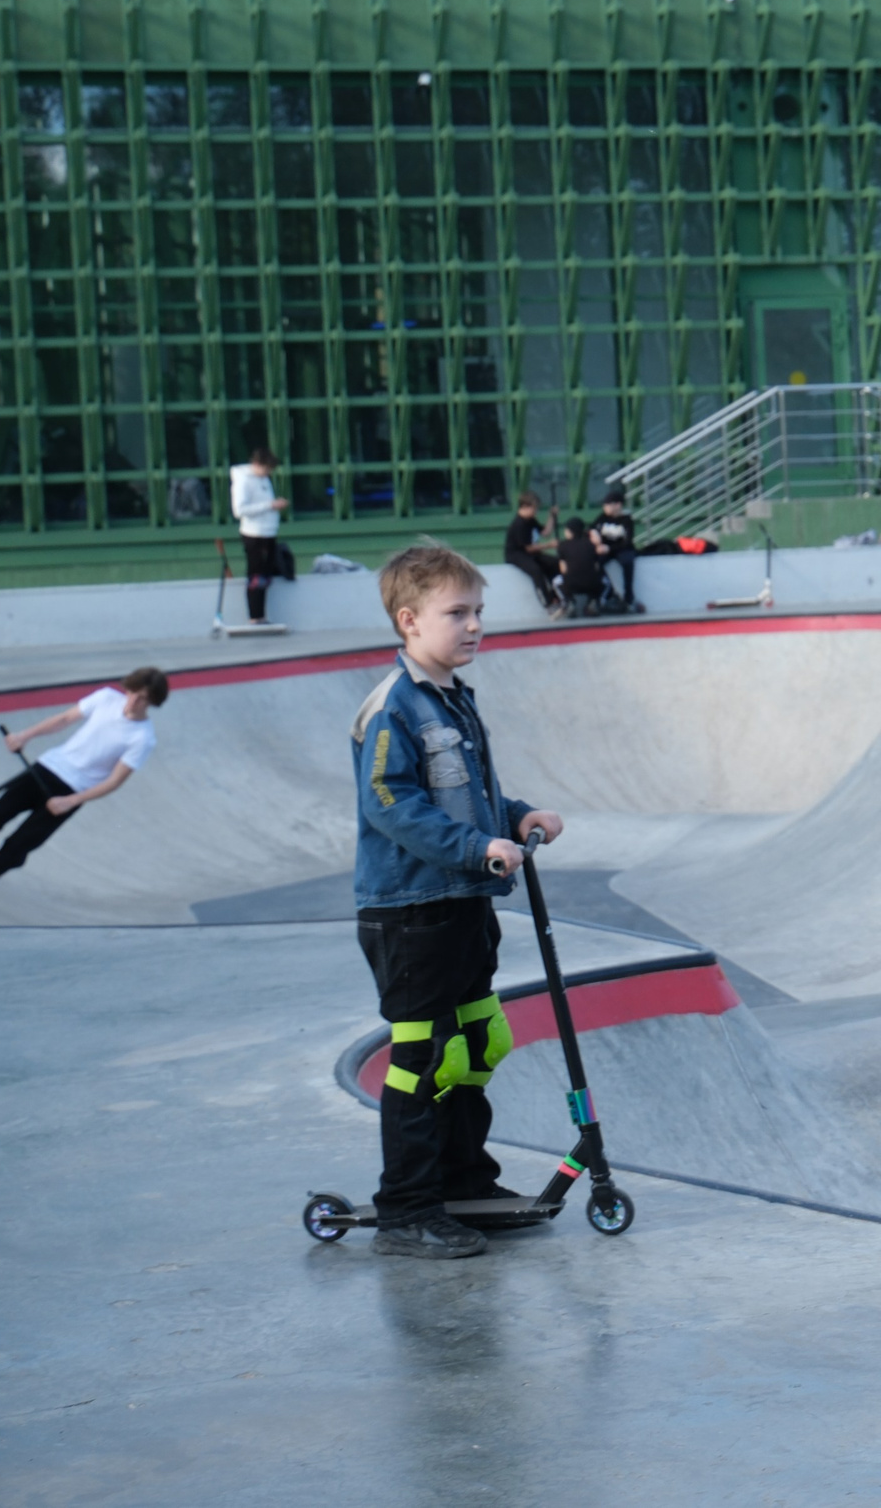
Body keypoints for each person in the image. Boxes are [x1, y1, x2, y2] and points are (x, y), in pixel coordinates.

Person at [350, 544, 565, 1259]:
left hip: (463, 902)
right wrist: (478, 848)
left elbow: (470, 800)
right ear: (408, 620)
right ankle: (406, 1206)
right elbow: (391, 804)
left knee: (478, 1043)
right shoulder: (393, 707)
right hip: (411, 912)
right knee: (418, 1057)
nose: (474, 625)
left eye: (479, 612)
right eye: (457, 613)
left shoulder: (453, 699)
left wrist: (518, 816)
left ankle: (466, 1180)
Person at [0, 669, 170, 917]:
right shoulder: (105, 698)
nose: (134, 702)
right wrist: (24, 736)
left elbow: (115, 781)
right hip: (45, 769)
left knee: (15, 849)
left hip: (71, 793)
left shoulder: (143, 738)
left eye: (144, 698)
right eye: (133, 693)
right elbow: (64, 719)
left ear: (153, 702)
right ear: (127, 688)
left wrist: (73, 801)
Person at [230, 447, 290, 626]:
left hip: (268, 532)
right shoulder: (243, 481)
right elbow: (239, 510)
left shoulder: (263, 480)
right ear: (257, 464)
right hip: (254, 534)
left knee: (266, 575)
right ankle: (254, 616)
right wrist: (269, 505)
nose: (268, 473)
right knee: (256, 576)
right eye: (266, 469)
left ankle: (261, 615)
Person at [502, 493, 564, 618]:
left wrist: (552, 516)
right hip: (516, 554)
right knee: (536, 570)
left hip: (531, 553)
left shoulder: (530, 520)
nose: (536, 511)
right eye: (534, 508)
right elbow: (528, 548)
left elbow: (545, 532)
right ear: (525, 507)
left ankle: (557, 595)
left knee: (555, 563)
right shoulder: (519, 524)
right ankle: (548, 604)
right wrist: (549, 545)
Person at [590, 491, 645, 614]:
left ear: (618, 505)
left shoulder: (626, 520)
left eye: (608, 505)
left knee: (627, 562)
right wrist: (594, 537)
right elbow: (591, 529)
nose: (605, 507)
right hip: (605, 548)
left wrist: (610, 548)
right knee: (595, 563)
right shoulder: (602, 518)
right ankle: (606, 593)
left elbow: (627, 541)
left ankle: (629, 597)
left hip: (621, 549)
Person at [555, 518, 606, 617]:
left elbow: (563, 570)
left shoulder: (562, 545)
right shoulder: (591, 544)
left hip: (571, 585)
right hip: (592, 584)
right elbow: (596, 566)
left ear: (570, 531)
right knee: (604, 581)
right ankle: (594, 601)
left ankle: (569, 602)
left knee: (556, 582)